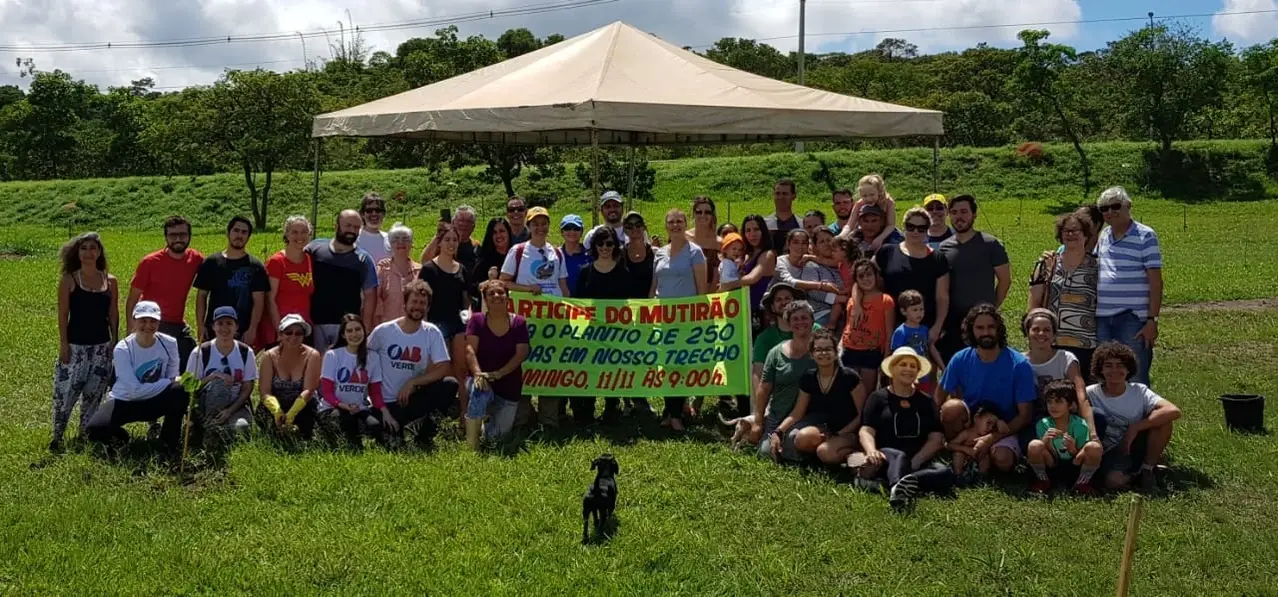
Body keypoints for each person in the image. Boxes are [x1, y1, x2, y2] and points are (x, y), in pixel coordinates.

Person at [935, 304, 1037, 474]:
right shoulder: (960, 359)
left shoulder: (1019, 364)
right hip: (970, 423)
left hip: (1003, 427)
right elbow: (938, 399)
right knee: (951, 408)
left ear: (999, 329)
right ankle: (956, 447)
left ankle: (978, 455)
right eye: (979, 328)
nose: (986, 332)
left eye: (991, 327)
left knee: (1003, 462)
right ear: (971, 330)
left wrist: (990, 439)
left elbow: (1025, 415)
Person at [84, 301, 188, 454]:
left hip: (155, 400)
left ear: (159, 322)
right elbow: (134, 390)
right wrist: (167, 382)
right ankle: (120, 437)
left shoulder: (169, 343)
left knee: (180, 390)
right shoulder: (123, 348)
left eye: (153, 321)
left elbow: (173, 378)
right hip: (125, 401)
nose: (148, 325)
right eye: (143, 321)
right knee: (94, 431)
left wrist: (171, 383)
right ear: (133, 321)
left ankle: (167, 442)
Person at [858, 346, 952, 510]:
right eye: (903, 364)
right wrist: (871, 450)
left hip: (917, 458)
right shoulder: (877, 398)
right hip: (887, 456)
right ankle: (898, 490)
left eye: (913, 366)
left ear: (917, 373)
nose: (908, 369)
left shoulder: (926, 401)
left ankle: (889, 486)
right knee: (899, 456)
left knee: (944, 472)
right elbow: (866, 430)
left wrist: (917, 460)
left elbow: (936, 438)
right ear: (892, 369)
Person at [368, 280, 459, 447]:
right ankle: (395, 430)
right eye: (414, 302)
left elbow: (443, 367)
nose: (418, 307)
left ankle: (424, 437)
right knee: (391, 444)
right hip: (383, 404)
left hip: (410, 399)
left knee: (449, 384)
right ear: (405, 304)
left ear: (428, 308)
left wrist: (413, 382)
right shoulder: (383, 331)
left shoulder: (431, 332)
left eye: (422, 303)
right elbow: (362, 359)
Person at [52, 232, 118, 452]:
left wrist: (115, 339)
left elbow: (113, 313)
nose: (89, 253)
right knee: (66, 393)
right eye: (84, 248)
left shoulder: (110, 281)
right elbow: (63, 316)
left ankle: (85, 433)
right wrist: (64, 345)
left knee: (94, 394)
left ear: (99, 252)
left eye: (93, 248)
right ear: (77, 253)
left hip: (101, 346)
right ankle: (57, 436)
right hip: (75, 346)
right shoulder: (69, 280)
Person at [1087, 341, 1181, 492]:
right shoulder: (1091, 393)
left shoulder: (1139, 390)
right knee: (1113, 482)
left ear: (1128, 369)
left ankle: (1147, 470)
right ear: (1100, 369)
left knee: (1163, 421)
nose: (1114, 370)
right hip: (1107, 451)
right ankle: (1135, 475)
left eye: (1120, 365)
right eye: (1108, 365)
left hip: (1134, 446)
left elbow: (1173, 410)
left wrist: (1136, 427)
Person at [1094, 186, 1162, 387]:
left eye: (1115, 206)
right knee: (1105, 374)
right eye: (1104, 209)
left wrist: (1152, 320)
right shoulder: (1103, 236)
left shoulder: (1145, 235)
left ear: (1128, 206)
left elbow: (1156, 281)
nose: (1110, 212)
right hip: (1102, 317)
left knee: (1135, 375)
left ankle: (1143, 418)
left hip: (1132, 317)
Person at [651, 208, 708, 430]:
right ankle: (669, 411)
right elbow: (655, 285)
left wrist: (699, 315)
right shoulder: (660, 253)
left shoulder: (695, 252)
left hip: (686, 318)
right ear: (666, 225)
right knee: (666, 364)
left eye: (679, 221)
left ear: (686, 224)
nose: (675, 225)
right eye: (671, 222)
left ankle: (676, 415)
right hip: (663, 317)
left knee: (681, 364)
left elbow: (702, 289)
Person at [937, 194, 1011, 362]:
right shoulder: (943, 248)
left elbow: (1005, 281)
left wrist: (991, 307)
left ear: (974, 214)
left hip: (983, 321)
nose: (959, 217)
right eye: (954, 212)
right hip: (953, 322)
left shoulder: (991, 244)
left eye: (964, 211)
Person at [126, 215, 203, 369]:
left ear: (189, 236)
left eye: (183, 234)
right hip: (151, 321)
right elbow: (132, 299)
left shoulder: (196, 259)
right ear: (166, 237)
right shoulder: (150, 262)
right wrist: (131, 328)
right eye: (173, 235)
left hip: (177, 323)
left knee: (192, 364)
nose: (178, 239)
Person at [1029, 212, 1099, 377]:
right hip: (1053, 341)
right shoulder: (1046, 264)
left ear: (1086, 235)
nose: (1071, 234)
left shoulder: (1098, 266)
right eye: (1066, 231)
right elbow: (1034, 302)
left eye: (1076, 230)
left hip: (1085, 342)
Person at [863, 207, 949, 341]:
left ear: (927, 230)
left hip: (923, 327)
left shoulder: (937, 259)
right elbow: (864, 279)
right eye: (911, 227)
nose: (915, 231)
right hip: (889, 325)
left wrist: (937, 326)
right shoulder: (886, 252)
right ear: (904, 227)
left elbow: (942, 298)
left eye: (921, 228)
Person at [573, 227, 631, 423]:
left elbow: (629, 303)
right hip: (591, 331)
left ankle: (611, 409)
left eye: (609, 244)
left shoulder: (623, 272)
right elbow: (578, 303)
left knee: (613, 370)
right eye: (601, 244)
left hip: (616, 332)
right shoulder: (584, 272)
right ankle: (587, 410)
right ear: (594, 246)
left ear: (615, 246)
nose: (605, 248)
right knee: (590, 370)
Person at [464, 281, 531, 443]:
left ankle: (484, 426)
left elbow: (521, 353)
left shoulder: (519, 323)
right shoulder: (477, 321)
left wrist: (499, 373)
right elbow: (469, 350)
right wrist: (478, 374)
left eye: (500, 293)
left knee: (496, 439)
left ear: (508, 298)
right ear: (485, 300)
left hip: (509, 387)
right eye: (491, 293)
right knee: (479, 392)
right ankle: (472, 445)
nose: (496, 296)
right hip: (482, 380)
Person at [752, 301, 818, 460]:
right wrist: (758, 422)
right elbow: (763, 389)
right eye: (795, 319)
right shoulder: (776, 353)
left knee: (794, 441)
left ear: (812, 321)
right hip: (778, 414)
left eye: (804, 318)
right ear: (789, 323)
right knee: (765, 453)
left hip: (809, 416)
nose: (800, 322)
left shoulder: (821, 350)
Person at [1022, 309, 1100, 441]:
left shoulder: (1065, 358)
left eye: (1047, 330)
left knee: (1098, 417)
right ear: (1027, 333)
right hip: (1033, 415)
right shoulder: (1020, 361)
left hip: (1065, 414)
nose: (1041, 333)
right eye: (1036, 329)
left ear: (1054, 335)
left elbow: (1081, 396)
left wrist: (1092, 432)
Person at [185, 306, 257, 448]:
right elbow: (188, 385)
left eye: (229, 323)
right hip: (206, 405)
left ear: (236, 327)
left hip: (235, 406)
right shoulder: (200, 352)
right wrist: (212, 377)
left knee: (241, 428)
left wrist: (230, 411)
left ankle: (211, 431)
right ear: (213, 327)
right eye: (220, 323)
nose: (225, 328)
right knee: (219, 386)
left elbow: (248, 387)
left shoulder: (245, 352)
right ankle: (210, 432)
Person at [307, 209, 379, 350]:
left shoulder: (363, 259)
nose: (351, 230)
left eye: (356, 227)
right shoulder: (314, 249)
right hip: (314, 323)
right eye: (347, 225)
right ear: (337, 226)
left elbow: (370, 295)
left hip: (346, 328)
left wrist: (364, 327)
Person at [194, 216, 268, 347]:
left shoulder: (256, 266)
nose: (239, 235)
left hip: (243, 332)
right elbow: (201, 296)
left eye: (244, 232)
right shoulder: (211, 263)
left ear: (249, 236)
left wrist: (252, 329)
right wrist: (200, 325)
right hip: (213, 330)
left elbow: (259, 301)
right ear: (228, 233)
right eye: (236, 230)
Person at [419, 223, 470, 406]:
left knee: (461, 369)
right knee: (441, 368)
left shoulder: (462, 269)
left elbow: (465, 299)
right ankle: (439, 409)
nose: (451, 243)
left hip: (457, 323)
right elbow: (422, 300)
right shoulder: (428, 269)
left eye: (455, 240)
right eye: (447, 239)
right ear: (439, 243)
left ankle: (465, 411)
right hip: (436, 324)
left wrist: (468, 315)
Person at [317, 314, 385, 450]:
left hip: (359, 408)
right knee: (346, 421)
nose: (354, 334)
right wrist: (343, 405)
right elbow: (326, 392)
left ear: (364, 331)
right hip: (332, 408)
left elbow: (375, 392)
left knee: (375, 426)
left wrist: (386, 413)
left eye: (358, 329)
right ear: (343, 335)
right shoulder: (333, 355)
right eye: (349, 331)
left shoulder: (373, 357)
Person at [802, 329, 868, 467]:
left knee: (825, 452)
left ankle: (856, 454)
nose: (823, 353)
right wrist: (779, 431)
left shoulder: (850, 377)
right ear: (812, 354)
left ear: (836, 352)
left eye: (828, 349)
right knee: (802, 438)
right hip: (826, 429)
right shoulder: (808, 377)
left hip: (851, 431)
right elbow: (797, 411)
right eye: (818, 349)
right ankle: (833, 454)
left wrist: (840, 433)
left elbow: (863, 414)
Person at [1028, 379, 1103, 495]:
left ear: (1070, 405)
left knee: (1094, 447)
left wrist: (1072, 449)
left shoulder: (1080, 425)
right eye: (1049, 402)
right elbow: (1045, 453)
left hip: (1074, 466)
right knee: (1035, 445)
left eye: (1058, 401)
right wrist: (1046, 442)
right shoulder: (1042, 424)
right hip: (1052, 465)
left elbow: (1080, 455)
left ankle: (1082, 483)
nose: (1053, 406)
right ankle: (1043, 480)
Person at [256, 314, 322, 441]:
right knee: (268, 426)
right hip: (276, 404)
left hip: (303, 405)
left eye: (299, 333)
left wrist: (292, 413)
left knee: (305, 427)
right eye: (288, 332)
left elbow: (309, 389)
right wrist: (276, 411)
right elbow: (264, 391)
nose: (293, 337)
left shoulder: (312, 355)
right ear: (280, 334)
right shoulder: (268, 356)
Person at [841, 259, 894, 400]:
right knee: (847, 391)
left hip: (871, 351)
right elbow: (847, 324)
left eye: (869, 274)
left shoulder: (886, 300)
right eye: (861, 276)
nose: (866, 279)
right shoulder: (853, 300)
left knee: (867, 393)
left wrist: (886, 357)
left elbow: (889, 332)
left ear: (876, 275)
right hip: (849, 349)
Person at [261, 215, 314, 348]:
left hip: (302, 328)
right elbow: (270, 299)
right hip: (282, 329)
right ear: (287, 234)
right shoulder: (277, 262)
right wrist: (280, 330)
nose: (300, 236)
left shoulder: (309, 259)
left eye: (304, 232)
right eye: (294, 232)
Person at [501, 206, 570, 298]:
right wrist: (528, 288)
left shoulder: (558, 253)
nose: (540, 227)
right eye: (535, 224)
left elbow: (563, 286)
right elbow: (504, 282)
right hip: (526, 309)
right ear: (528, 226)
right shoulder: (517, 251)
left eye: (544, 224)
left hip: (553, 309)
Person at [890, 290, 944, 396]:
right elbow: (895, 355)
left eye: (921, 309)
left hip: (924, 375)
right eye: (915, 310)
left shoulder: (924, 329)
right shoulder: (901, 332)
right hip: (907, 377)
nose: (919, 313)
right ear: (904, 311)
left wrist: (943, 367)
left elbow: (931, 347)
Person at [375, 223, 421, 325]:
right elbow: (376, 300)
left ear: (411, 243)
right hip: (388, 327)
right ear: (390, 244)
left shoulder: (420, 270)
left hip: (414, 326)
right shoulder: (382, 269)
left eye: (405, 239)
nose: (400, 242)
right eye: (395, 239)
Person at [739, 214, 777, 335]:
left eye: (756, 229)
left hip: (760, 313)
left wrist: (727, 284)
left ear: (763, 231)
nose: (752, 234)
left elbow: (752, 278)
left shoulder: (768, 254)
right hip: (743, 310)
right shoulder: (746, 255)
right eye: (748, 230)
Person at [946, 402, 1007, 478]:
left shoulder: (989, 436)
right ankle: (958, 475)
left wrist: (999, 421)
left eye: (993, 425)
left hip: (978, 461)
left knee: (985, 458)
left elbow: (1005, 430)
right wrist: (966, 449)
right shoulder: (967, 433)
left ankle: (981, 477)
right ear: (976, 418)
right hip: (965, 460)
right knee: (958, 454)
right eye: (988, 423)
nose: (991, 428)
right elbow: (950, 445)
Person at [800, 228, 845, 328]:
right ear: (815, 247)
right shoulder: (811, 265)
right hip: (822, 313)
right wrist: (835, 299)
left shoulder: (842, 264)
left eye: (829, 240)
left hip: (845, 312)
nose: (826, 244)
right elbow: (812, 291)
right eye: (821, 242)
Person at [844, 175, 899, 251]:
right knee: (848, 241)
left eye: (872, 194)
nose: (868, 199)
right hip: (865, 230)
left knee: (896, 244)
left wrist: (880, 238)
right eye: (864, 196)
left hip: (886, 231)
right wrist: (842, 235)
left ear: (879, 192)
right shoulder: (860, 203)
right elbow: (850, 224)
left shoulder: (888, 202)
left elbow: (891, 225)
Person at [422, 205, 480, 276]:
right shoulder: (442, 243)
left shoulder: (476, 246)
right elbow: (425, 261)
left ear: (473, 226)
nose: (464, 224)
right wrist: (440, 235)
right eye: (460, 220)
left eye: (468, 221)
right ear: (453, 222)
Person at [472, 217, 513, 309]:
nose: (498, 235)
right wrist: (489, 282)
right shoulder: (485, 259)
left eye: (502, 231)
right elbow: (472, 287)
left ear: (508, 233)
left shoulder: (517, 255)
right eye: (494, 232)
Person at [622, 211, 657, 302]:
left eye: (638, 224)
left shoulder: (655, 253)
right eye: (630, 226)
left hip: (649, 307)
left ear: (644, 227)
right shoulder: (619, 254)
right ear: (625, 230)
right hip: (627, 309)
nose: (634, 228)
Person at [687, 196, 722, 288]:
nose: (703, 215)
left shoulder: (720, 243)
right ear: (693, 214)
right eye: (699, 212)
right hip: (686, 294)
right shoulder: (684, 238)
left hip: (713, 295)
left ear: (712, 215)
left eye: (707, 212)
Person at [765, 179, 801, 251]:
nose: (781, 197)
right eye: (778, 193)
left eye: (785, 194)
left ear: (793, 196)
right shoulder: (764, 224)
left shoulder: (802, 225)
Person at [356, 192, 391, 264]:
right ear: (362, 214)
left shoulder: (391, 239)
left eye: (378, 210)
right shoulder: (353, 239)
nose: (374, 214)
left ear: (383, 214)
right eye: (369, 210)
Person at [559, 214, 590, 293]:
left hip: (584, 303)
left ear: (582, 232)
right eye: (567, 228)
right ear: (562, 232)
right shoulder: (555, 255)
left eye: (576, 229)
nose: (572, 232)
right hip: (560, 303)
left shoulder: (590, 256)